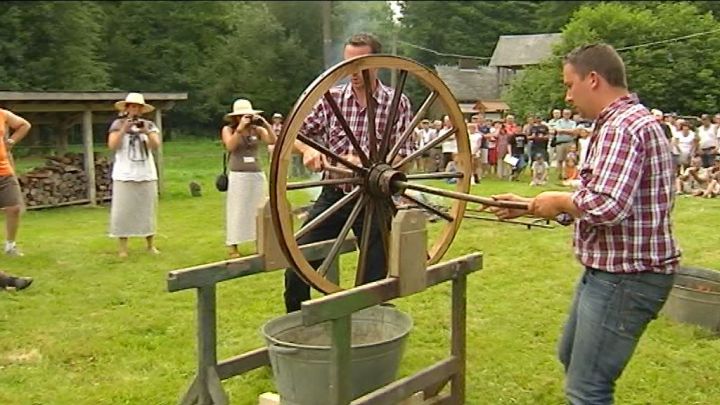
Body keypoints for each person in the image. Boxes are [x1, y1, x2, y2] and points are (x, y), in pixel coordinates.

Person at [490, 43, 680, 404]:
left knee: (588, 388)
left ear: (593, 80)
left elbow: (607, 206)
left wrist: (558, 200)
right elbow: (598, 197)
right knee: (571, 357)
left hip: (627, 276)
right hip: (611, 271)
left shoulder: (622, 127)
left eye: (569, 84)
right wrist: (532, 205)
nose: (568, 95)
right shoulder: (624, 122)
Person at [284, 32, 414, 313]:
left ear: (376, 63)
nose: (353, 73)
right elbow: (293, 135)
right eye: (347, 65)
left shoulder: (397, 103)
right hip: (335, 195)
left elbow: (405, 157)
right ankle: (297, 330)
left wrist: (380, 167)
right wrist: (308, 151)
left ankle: (367, 337)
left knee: (372, 280)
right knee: (299, 264)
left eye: (360, 65)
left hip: (375, 201)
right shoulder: (331, 98)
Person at [107, 93, 162, 258]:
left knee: (147, 209)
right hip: (124, 173)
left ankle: (150, 244)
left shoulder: (149, 125)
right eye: (132, 106)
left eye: (138, 107)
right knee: (123, 211)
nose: (135, 110)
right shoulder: (117, 124)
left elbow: (155, 145)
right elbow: (112, 145)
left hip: (146, 173)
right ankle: (123, 247)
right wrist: (124, 129)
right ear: (126, 108)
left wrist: (146, 131)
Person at [221, 99, 277, 259]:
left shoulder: (256, 130)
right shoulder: (229, 129)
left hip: (256, 173)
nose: (247, 118)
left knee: (258, 209)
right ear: (236, 117)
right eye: (243, 115)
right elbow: (230, 146)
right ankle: (233, 245)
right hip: (239, 174)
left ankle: (259, 242)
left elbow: (273, 141)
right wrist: (239, 129)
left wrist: (266, 124)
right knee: (237, 209)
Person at [0, 108, 31, 256]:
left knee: (14, 208)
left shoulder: (2, 114)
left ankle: (10, 246)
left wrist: (11, 141)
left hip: (4, 170)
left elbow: (24, 125)